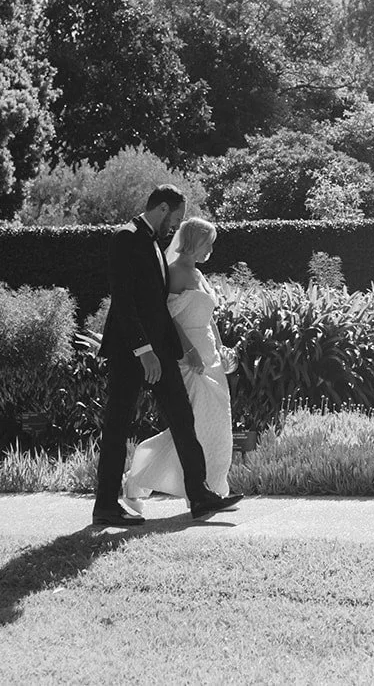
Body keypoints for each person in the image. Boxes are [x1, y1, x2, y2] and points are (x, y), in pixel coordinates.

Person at [93, 186, 239, 526]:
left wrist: (174, 351)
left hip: (162, 352)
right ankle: (105, 506)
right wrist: (144, 351)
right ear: (161, 208)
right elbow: (125, 301)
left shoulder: (156, 246)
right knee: (117, 426)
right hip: (132, 354)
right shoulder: (125, 238)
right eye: (175, 218)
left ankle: (201, 497)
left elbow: (158, 308)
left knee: (184, 421)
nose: (176, 227)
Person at [121, 217, 239, 508]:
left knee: (217, 426)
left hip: (211, 358)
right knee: (193, 428)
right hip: (190, 359)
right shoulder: (175, 273)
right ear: (195, 241)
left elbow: (209, 319)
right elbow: (168, 317)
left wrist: (222, 351)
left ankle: (211, 489)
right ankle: (137, 481)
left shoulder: (199, 275)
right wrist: (188, 351)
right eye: (208, 242)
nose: (211, 248)